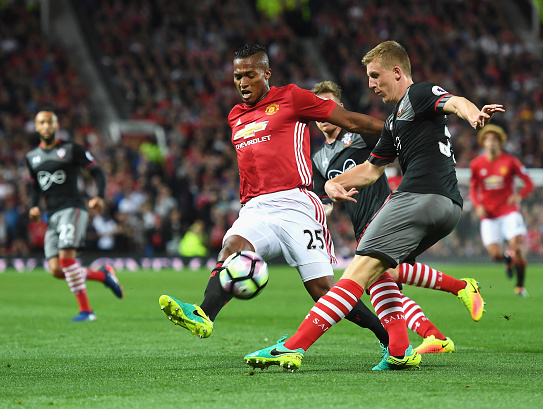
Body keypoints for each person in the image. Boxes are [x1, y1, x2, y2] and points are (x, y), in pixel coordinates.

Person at [245, 40, 504, 371]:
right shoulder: (393, 122)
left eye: (375, 75)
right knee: (382, 271)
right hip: (447, 208)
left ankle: (294, 346)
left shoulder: (417, 94)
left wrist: (472, 113)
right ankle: (398, 349)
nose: (370, 84)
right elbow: (370, 170)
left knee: (355, 275)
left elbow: (453, 102)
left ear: (397, 72)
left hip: (416, 199)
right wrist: (334, 183)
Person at [158, 43, 394, 350]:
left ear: (266, 73)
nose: (242, 82)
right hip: (255, 208)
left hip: (296, 204)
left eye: (249, 75)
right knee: (231, 249)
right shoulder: (235, 116)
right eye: (237, 76)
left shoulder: (292, 97)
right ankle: (204, 314)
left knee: (323, 290)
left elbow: (349, 120)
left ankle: (387, 338)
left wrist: (395, 130)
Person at [311, 80, 492, 354]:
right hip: (361, 223)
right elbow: (326, 202)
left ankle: (458, 289)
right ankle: (432, 336)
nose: (324, 115)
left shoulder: (359, 134)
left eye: (329, 107)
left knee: (384, 275)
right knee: (383, 288)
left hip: (386, 213)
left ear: (340, 108)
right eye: (318, 110)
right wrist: (323, 210)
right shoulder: (320, 159)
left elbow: (390, 139)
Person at [26, 110, 123, 322]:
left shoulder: (71, 149)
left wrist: (99, 196)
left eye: (50, 122)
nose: (46, 126)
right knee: (56, 269)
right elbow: (35, 186)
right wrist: (34, 207)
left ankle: (87, 311)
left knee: (67, 260)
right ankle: (103, 275)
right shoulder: (31, 157)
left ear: (56, 125)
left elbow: (96, 171)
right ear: (36, 127)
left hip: (73, 209)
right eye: (41, 122)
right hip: (51, 215)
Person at [470, 124, 534, 296]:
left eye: (495, 140)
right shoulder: (476, 164)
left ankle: (520, 286)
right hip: (489, 216)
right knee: (495, 254)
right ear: (483, 143)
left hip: (509, 211)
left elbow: (529, 183)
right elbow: (473, 188)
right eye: (488, 140)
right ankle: (507, 260)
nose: (491, 143)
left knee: (516, 246)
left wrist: (518, 196)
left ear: (500, 142)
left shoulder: (510, 161)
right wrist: (478, 205)